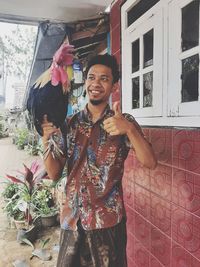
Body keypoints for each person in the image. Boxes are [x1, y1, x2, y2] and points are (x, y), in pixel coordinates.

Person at [41, 54, 157, 267]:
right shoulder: (69, 123)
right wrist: (46, 141)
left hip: (107, 222)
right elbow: (55, 173)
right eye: (92, 77)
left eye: (104, 78)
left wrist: (129, 130)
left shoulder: (123, 121)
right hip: (72, 220)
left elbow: (150, 162)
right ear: (85, 82)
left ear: (114, 86)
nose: (96, 83)